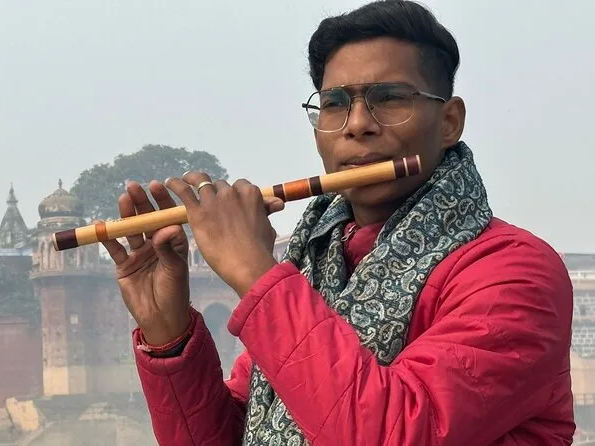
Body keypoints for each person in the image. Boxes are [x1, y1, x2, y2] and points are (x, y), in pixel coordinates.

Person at [101, 1, 575, 444]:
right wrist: (169, 335)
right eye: (334, 104)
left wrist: (255, 273)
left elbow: (393, 432)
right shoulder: (315, 263)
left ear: (449, 121)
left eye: (389, 98)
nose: (357, 124)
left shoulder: (515, 273)